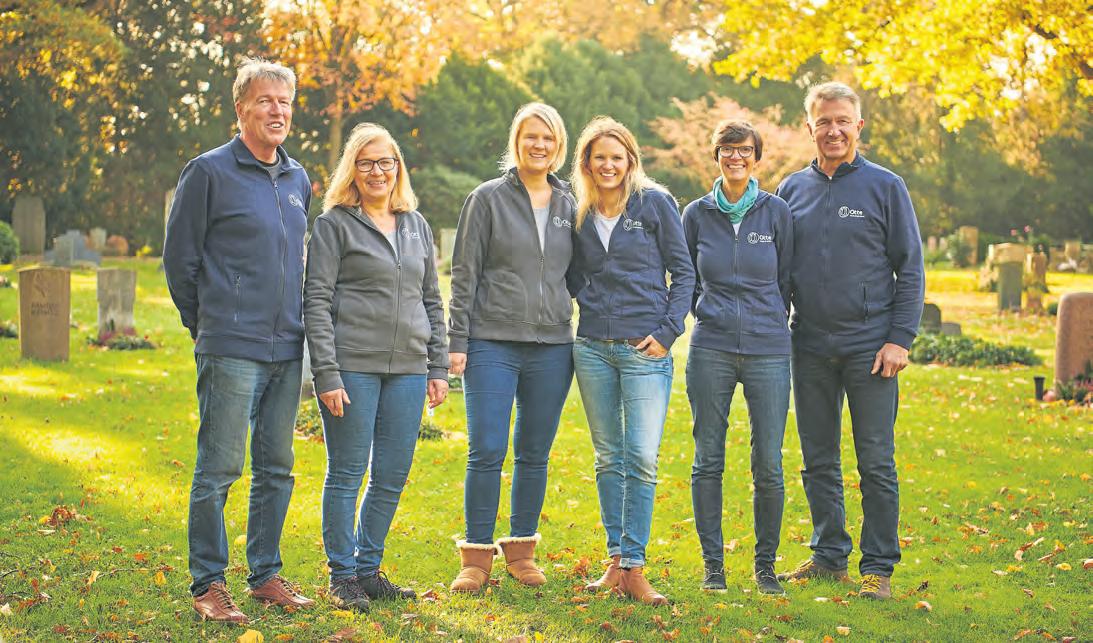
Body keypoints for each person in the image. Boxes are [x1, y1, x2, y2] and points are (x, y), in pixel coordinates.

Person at [163, 57, 315, 623]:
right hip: (230, 345)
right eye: (265, 100)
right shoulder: (208, 172)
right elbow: (180, 259)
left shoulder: (298, 178)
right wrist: (206, 323)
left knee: (277, 468)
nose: (277, 111)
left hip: (287, 347)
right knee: (219, 468)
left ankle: (265, 574)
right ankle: (208, 583)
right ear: (241, 108)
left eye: (285, 102)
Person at [775, 82, 924, 600]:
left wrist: (899, 339)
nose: (833, 130)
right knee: (817, 458)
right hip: (809, 345)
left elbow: (911, 268)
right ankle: (828, 555)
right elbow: (779, 272)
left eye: (842, 121)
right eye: (823, 121)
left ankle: (878, 568)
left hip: (871, 348)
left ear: (858, 126)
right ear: (809, 127)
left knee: (875, 461)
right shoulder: (791, 190)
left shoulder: (886, 186)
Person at [303, 123, 449, 612]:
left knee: (390, 474)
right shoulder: (334, 226)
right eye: (366, 163)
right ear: (352, 169)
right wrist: (326, 373)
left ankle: (368, 570)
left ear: (397, 167)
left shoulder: (416, 224)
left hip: (408, 368)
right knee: (347, 473)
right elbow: (316, 302)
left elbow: (432, 299)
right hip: (352, 367)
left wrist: (437, 366)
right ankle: (341, 575)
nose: (377, 172)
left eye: (386, 162)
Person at [447, 103, 575, 592]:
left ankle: (522, 551)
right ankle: (476, 557)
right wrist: (457, 340)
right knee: (486, 448)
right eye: (530, 136)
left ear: (558, 146)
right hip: (491, 342)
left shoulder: (571, 203)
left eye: (548, 138)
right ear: (516, 142)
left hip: (553, 345)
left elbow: (584, 271)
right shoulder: (486, 199)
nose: (539, 145)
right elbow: (465, 272)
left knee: (534, 451)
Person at [568, 117, 695, 606]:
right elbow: (571, 274)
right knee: (608, 457)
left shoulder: (655, 203)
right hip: (592, 348)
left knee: (640, 458)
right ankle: (615, 561)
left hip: (644, 349)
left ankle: (635, 567)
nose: (608, 165)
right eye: (599, 157)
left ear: (630, 161)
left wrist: (667, 332)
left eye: (616, 157)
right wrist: (586, 301)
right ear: (587, 162)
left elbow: (684, 272)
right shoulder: (578, 211)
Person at [682, 121, 793, 595]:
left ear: (756, 157)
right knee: (708, 458)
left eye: (744, 150)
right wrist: (711, 314)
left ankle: (765, 568)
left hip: (769, 349)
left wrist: (767, 318)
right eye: (727, 150)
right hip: (712, 347)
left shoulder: (776, 212)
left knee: (768, 463)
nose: (736, 157)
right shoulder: (696, 214)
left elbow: (786, 279)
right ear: (717, 156)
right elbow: (687, 278)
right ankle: (714, 567)